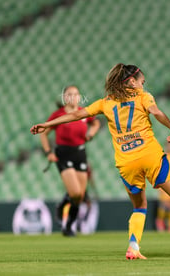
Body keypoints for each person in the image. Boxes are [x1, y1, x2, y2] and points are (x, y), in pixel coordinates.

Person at [31, 64, 170, 259]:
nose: (143, 86)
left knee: (139, 207)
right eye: (141, 82)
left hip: (126, 162)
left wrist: (47, 124)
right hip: (150, 154)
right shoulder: (143, 97)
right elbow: (157, 112)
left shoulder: (106, 102)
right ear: (131, 82)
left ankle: (134, 246)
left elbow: (77, 114)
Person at [39, 85, 100, 237]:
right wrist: (48, 152)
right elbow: (43, 133)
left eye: (76, 94)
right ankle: (63, 205)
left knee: (79, 196)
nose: (73, 97)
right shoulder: (58, 115)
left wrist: (91, 134)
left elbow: (96, 122)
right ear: (65, 98)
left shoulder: (84, 113)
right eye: (70, 94)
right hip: (63, 154)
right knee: (75, 192)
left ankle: (68, 226)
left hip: (80, 153)